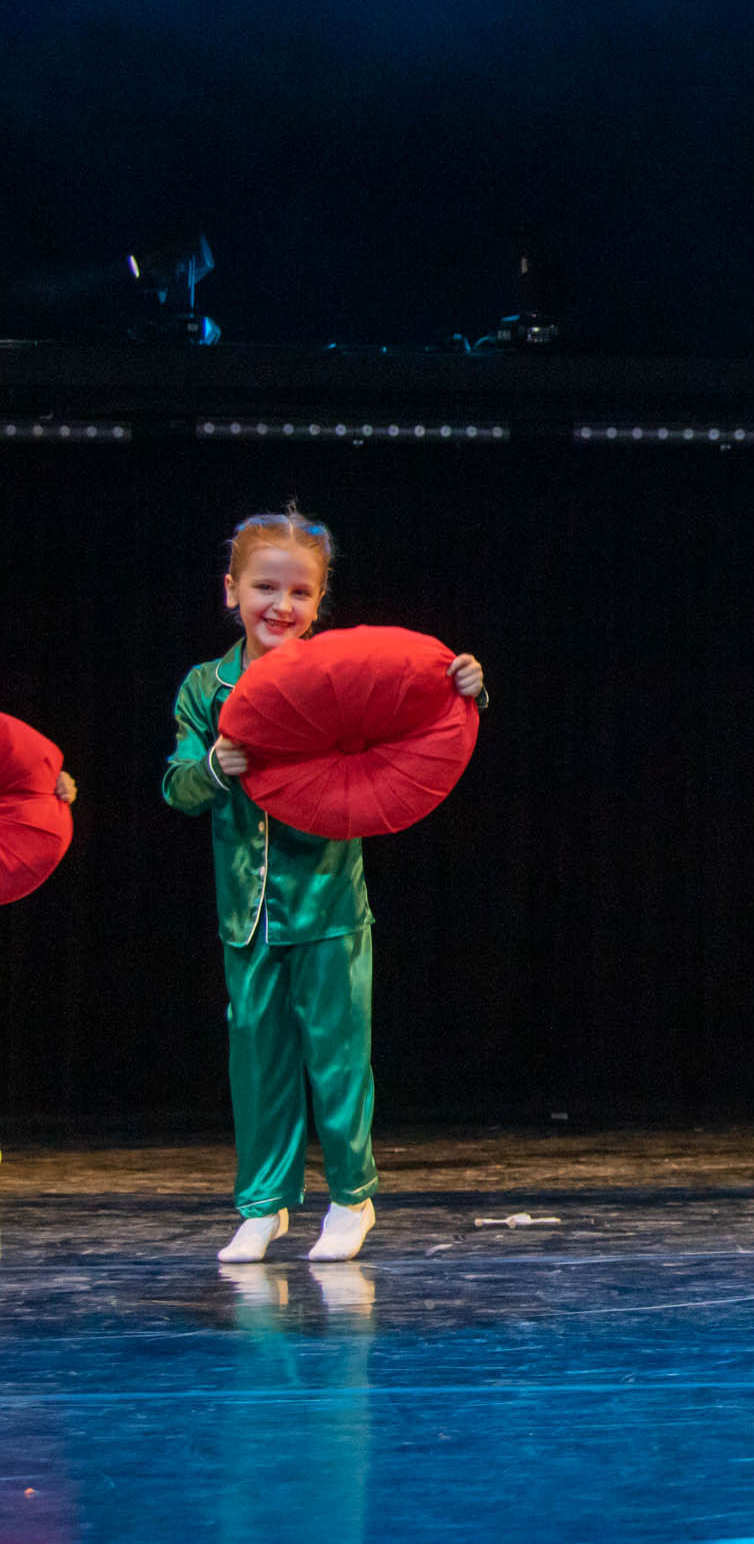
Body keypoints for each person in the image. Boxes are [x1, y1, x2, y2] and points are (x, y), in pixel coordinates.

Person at [162, 508, 486, 1264]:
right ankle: (264, 1205)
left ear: (320, 602)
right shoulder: (205, 689)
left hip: (330, 906)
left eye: (300, 592)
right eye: (264, 587)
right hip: (246, 912)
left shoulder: (342, 672)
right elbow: (177, 785)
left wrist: (465, 683)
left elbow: (420, 705)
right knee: (257, 1058)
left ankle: (351, 1196)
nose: (282, 605)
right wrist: (215, 768)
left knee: (337, 1054)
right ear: (231, 590)